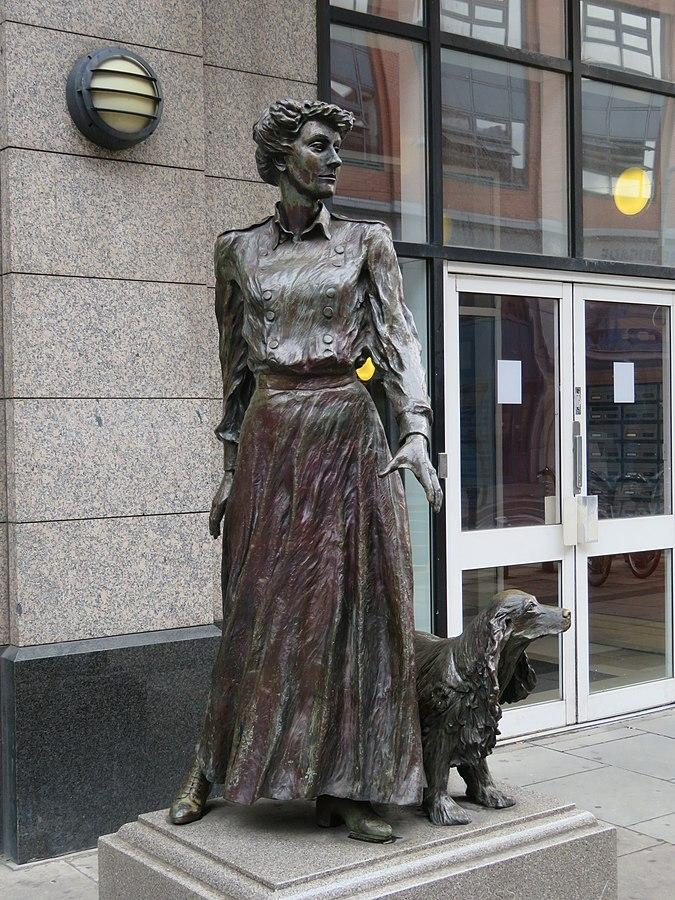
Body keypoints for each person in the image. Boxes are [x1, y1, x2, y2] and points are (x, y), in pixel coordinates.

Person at [169, 98, 443, 843]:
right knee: (256, 610)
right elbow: (233, 368)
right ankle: (212, 765)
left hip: (348, 434)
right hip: (270, 436)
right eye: (318, 147)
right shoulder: (238, 250)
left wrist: (413, 427)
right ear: (281, 156)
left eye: (336, 149)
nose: (333, 160)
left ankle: (349, 787)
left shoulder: (365, 243)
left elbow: (396, 342)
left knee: (355, 609)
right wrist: (228, 465)